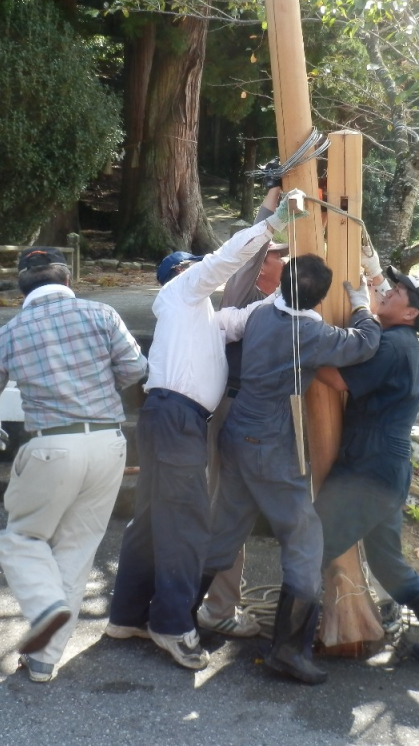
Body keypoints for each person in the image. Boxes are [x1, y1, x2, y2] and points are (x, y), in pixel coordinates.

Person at [107, 195, 301, 670]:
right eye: (195, 270)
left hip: (173, 419)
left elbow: (256, 316)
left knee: (152, 521)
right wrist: (270, 225)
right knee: (187, 523)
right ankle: (172, 625)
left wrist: (301, 287)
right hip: (176, 419)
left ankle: (127, 615)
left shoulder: (206, 320)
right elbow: (219, 264)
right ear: (181, 274)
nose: (205, 276)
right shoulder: (181, 293)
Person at [0, 247, 147, 683]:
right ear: (68, 281)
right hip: (108, 442)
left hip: (51, 447)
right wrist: (100, 385)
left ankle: (45, 605)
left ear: (21, 288)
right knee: (76, 549)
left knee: (21, 537)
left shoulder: (9, 332)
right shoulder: (102, 314)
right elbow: (136, 368)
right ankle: (45, 659)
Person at [200, 254, 381, 684]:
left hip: (237, 430)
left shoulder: (262, 313)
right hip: (268, 443)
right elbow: (364, 343)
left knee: (225, 528)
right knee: (304, 538)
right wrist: (361, 306)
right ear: (320, 298)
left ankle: (178, 618)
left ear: (281, 283)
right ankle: (286, 650)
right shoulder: (310, 332)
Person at [311, 257, 419, 671]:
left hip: (368, 469)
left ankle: (293, 643)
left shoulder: (394, 343)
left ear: (411, 312)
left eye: (397, 292)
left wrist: (300, 349)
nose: (388, 290)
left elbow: (341, 380)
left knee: (311, 544)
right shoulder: (402, 342)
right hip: (386, 469)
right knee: (388, 565)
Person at [198, 185, 288, 639]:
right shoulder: (241, 291)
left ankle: (303, 609)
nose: (285, 259)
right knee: (226, 508)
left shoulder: (293, 307)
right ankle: (217, 607)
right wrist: (270, 204)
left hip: (276, 416)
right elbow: (251, 243)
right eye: (279, 254)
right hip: (235, 409)